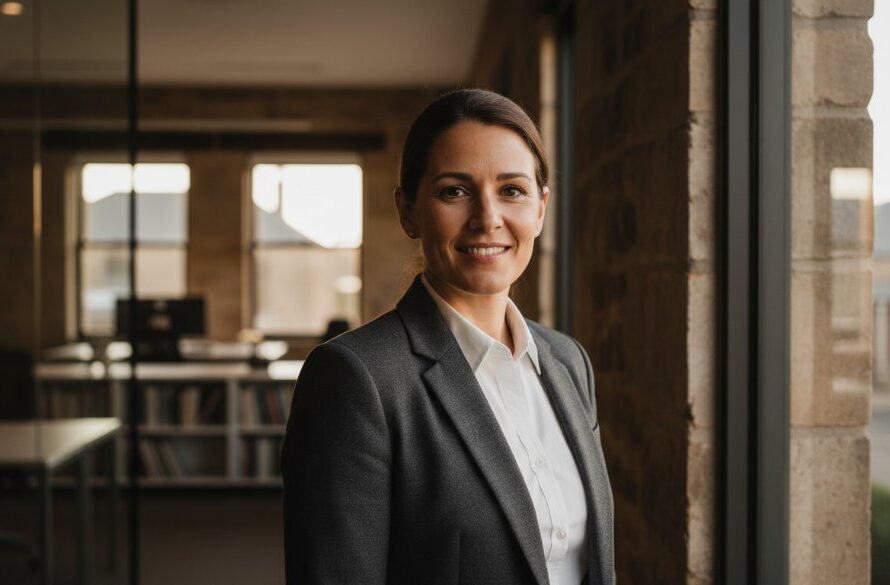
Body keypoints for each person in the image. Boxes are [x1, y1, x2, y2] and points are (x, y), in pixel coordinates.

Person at [281, 89, 614, 585]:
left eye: (513, 190)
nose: (487, 218)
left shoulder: (567, 361)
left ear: (541, 209)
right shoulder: (357, 379)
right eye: (454, 191)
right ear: (408, 211)